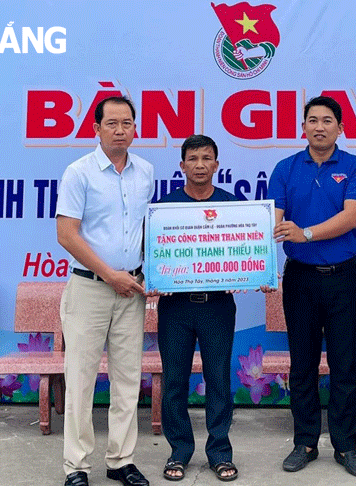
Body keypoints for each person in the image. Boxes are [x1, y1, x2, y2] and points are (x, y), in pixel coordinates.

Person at [267, 96, 356, 477]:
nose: (319, 126)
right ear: (303, 127)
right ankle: (305, 442)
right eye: (312, 120)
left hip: (344, 278)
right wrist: (259, 249)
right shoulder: (286, 168)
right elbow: (274, 220)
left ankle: (346, 447)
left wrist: (305, 232)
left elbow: (351, 216)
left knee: (345, 365)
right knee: (303, 365)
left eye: (327, 120)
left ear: (340, 128)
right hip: (300, 279)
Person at [56, 96, 153, 486]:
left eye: (126, 123)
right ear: (95, 129)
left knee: (127, 379)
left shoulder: (145, 171)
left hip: (133, 288)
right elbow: (66, 234)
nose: (119, 130)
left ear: (136, 129)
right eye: (111, 123)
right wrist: (110, 274)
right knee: (80, 380)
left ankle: (121, 460)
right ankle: (76, 466)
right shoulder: (79, 173)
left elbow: (146, 231)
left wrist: (154, 274)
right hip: (90, 288)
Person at [155, 135, 239, 482]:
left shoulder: (235, 207)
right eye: (193, 158)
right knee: (174, 381)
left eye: (207, 158)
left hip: (217, 306)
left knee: (218, 380)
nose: (200, 165)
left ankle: (219, 452)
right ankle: (179, 451)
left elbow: (246, 253)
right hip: (175, 307)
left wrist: (256, 272)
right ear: (182, 166)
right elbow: (153, 255)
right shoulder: (164, 208)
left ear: (217, 165)